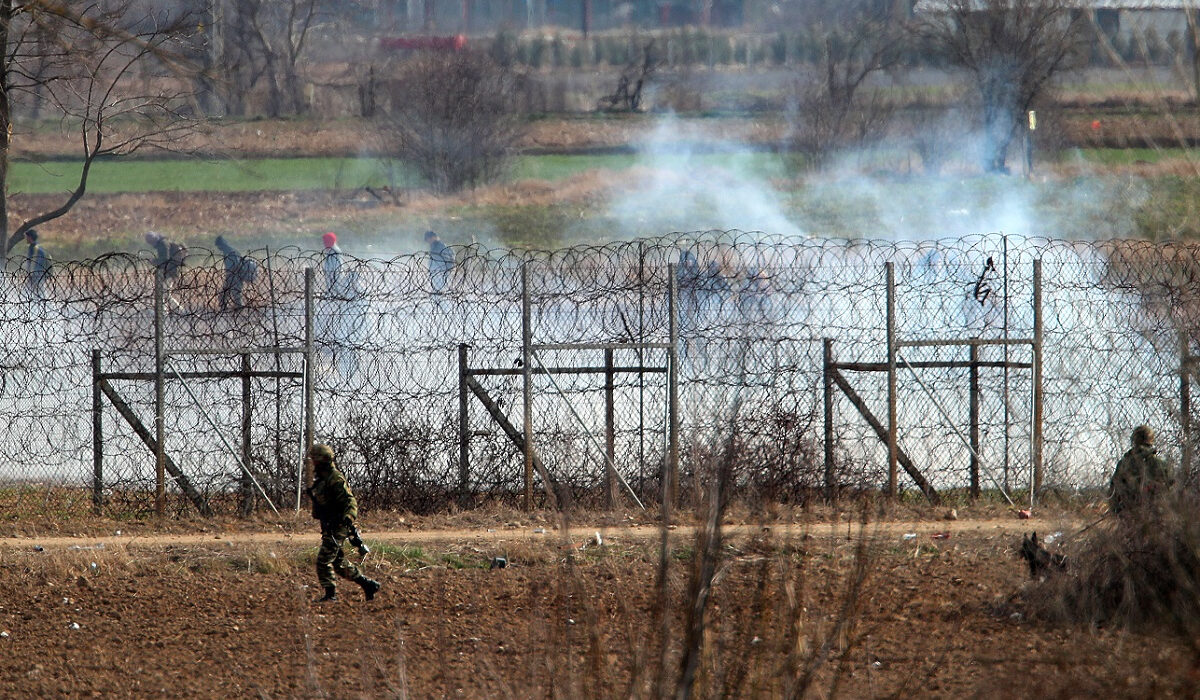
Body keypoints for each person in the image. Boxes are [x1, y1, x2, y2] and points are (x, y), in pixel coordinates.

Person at [306, 443, 381, 603]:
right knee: (339, 563)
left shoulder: (335, 478)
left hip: (338, 525)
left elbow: (350, 501)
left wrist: (348, 517)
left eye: (315, 459)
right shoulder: (323, 478)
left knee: (323, 560)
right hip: (329, 525)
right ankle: (368, 584)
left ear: (322, 460)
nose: (313, 462)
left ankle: (330, 594)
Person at [1110, 425, 1173, 517]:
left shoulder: (1123, 463)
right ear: (1151, 440)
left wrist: (1117, 511)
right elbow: (1169, 489)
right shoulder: (1160, 463)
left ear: (1134, 441)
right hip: (1155, 514)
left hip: (1128, 514)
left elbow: (1114, 490)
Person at [214, 235, 257, 312]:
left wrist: (232, 273)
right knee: (225, 294)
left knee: (235, 294)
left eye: (218, 246)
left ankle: (239, 310)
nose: (218, 248)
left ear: (222, 244)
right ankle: (227, 308)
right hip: (232, 275)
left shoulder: (230, 252)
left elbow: (236, 264)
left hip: (235, 276)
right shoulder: (228, 251)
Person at [145, 231, 186, 310]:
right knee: (165, 293)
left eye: (150, 241)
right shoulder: (162, 243)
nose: (150, 243)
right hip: (168, 271)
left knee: (163, 293)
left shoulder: (162, 244)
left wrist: (153, 261)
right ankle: (176, 310)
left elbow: (165, 260)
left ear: (153, 238)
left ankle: (167, 311)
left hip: (170, 272)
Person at [23, 229, 51, 300]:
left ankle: (46, 308)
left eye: (27, 237)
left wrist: (31, 274)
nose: (26, 238)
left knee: (39, 294)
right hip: (35, 275)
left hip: (37, 275)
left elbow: (35, 263)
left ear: (30, 237)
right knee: (27, 293)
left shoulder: (35, 248)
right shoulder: (33, 247)